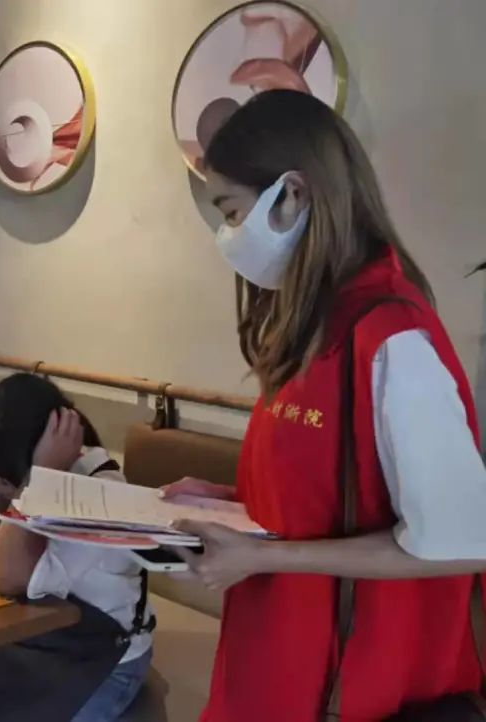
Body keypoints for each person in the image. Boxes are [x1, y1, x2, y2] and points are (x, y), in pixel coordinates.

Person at [162, 89, 486, 721]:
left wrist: (265, 556)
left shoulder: (391, 336)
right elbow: (331, 493)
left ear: (291, 195)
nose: (227, 235)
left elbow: (461, 539)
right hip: (273, 647)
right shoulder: (319, 321)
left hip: (345, 678)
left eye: (231, 211)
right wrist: (226, 501)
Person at [0, 373, 154, 722]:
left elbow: (8, 576)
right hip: (33, 635)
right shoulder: (3, 461)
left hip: (101, 658)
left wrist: (41, 477)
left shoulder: (101, 493)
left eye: (3, 479)